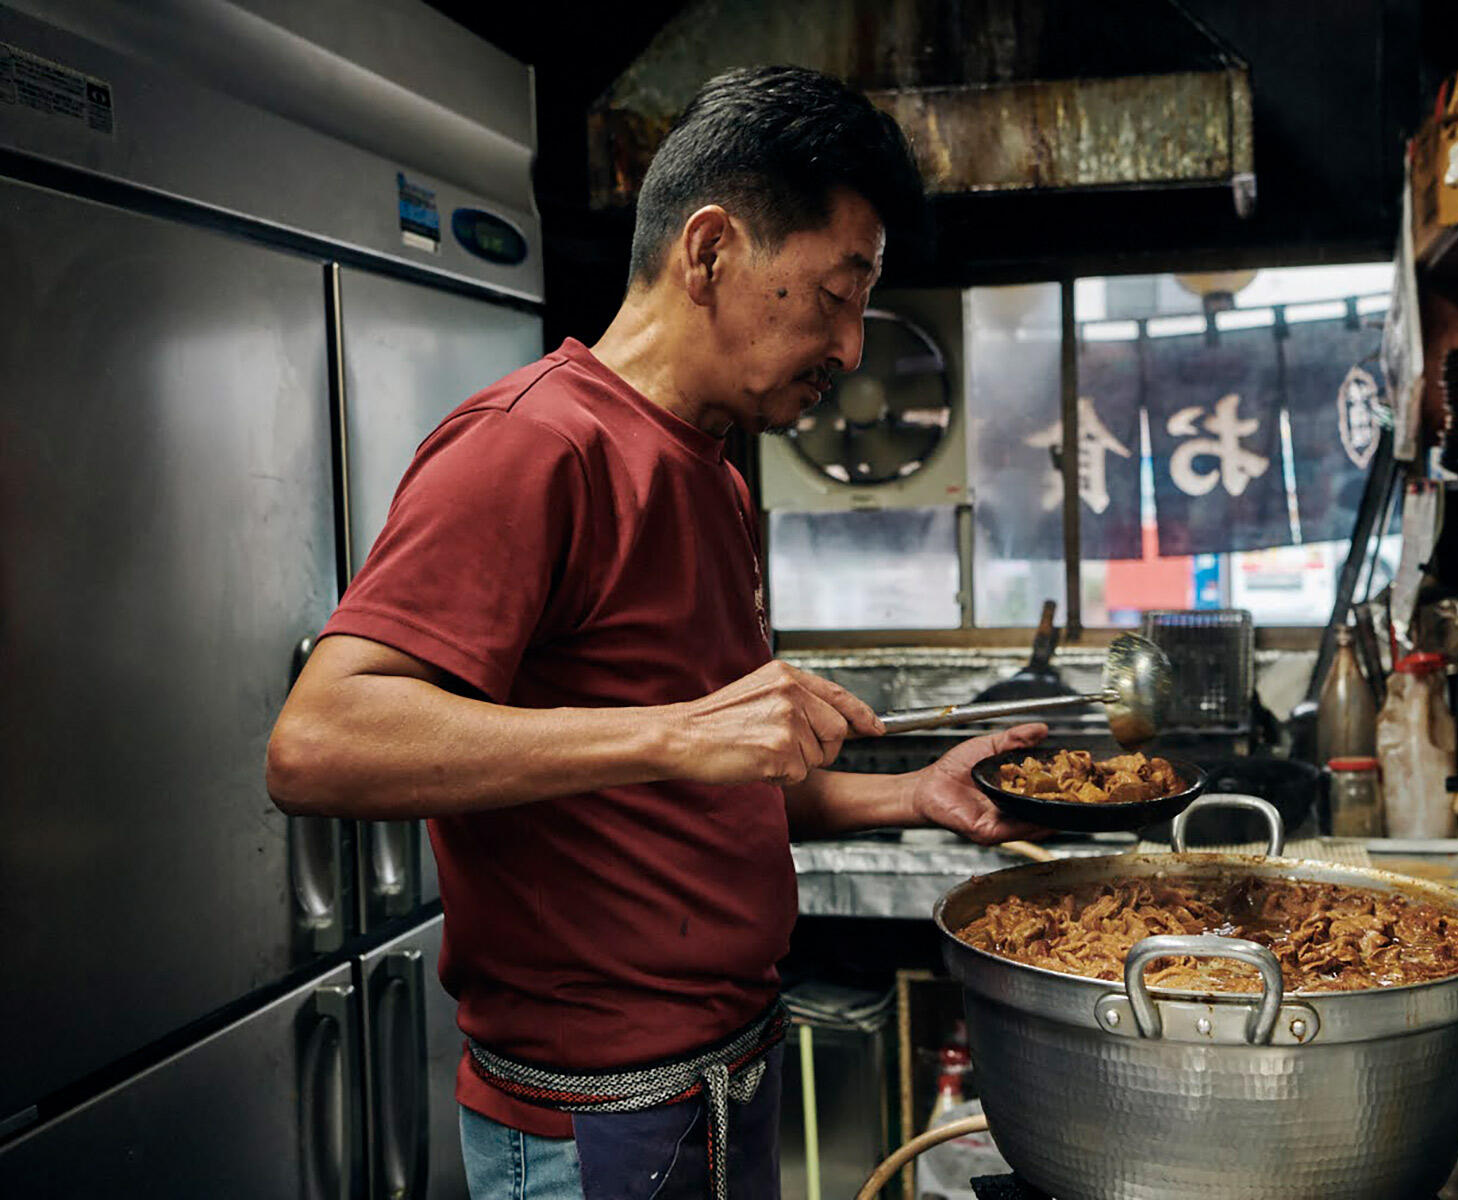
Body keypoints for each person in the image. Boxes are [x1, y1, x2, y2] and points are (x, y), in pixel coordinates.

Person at [266, 65, 1044, 1200]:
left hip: (720, 1088)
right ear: (712, 249)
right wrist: (675, 732)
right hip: (589, 1132)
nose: (854, 348)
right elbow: (317, 742)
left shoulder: (712, 471)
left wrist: (911, 792)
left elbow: (703, 780)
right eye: (837, 294)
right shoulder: (532, 445)